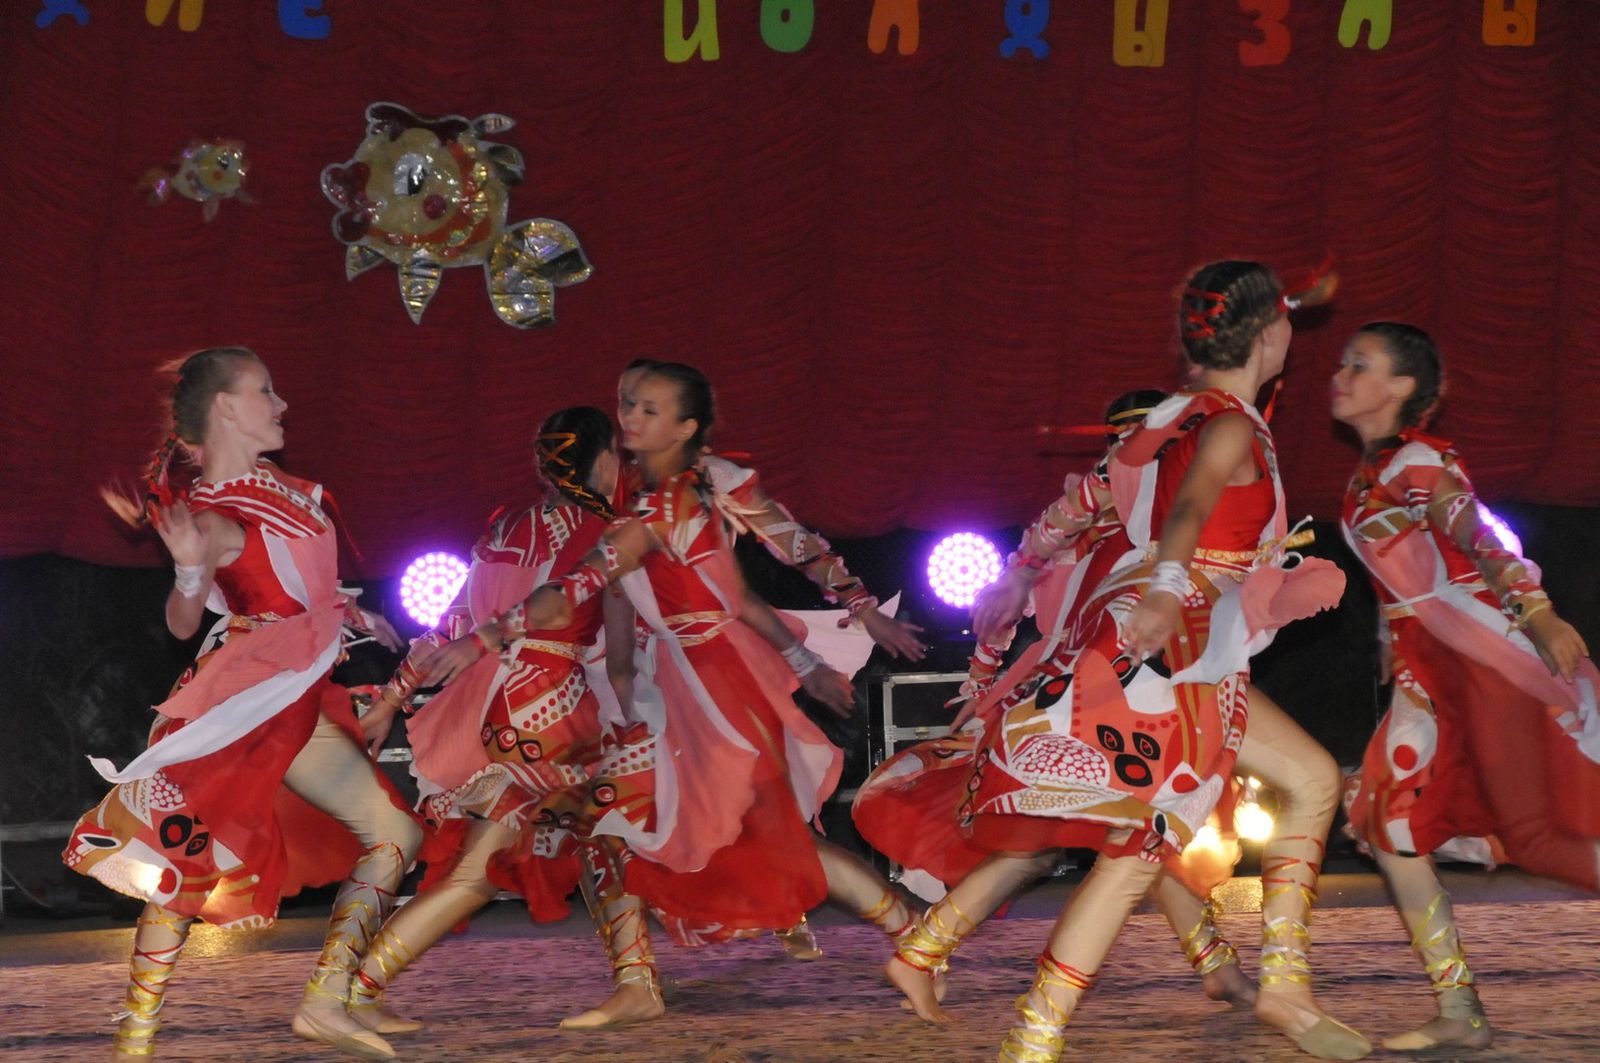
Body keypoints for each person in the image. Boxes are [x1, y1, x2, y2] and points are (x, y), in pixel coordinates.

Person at [881, 261, 1368, 1061]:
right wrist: (1169, 589)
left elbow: (1088, 507)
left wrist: (1020, 572)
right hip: (1185, 644)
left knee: (1286, 789)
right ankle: (1040, 1035)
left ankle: (1260, 990)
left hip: (1159, 639)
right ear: (1269, 333)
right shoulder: (1228, 425)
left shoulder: (1171, 418)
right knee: (1151, 845)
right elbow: (1189, 510)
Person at [423, 362, 918, 1013]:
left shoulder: (702, 484)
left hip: (715, 681)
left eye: (647, 408)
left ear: (683, 427)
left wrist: (856, 607)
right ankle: (640, 983)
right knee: (621, 821)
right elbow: (605, 597)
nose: (630, 417)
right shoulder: (620, 502)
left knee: (743, 829)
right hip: (665, 683)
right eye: (627, 404)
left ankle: (913, 937)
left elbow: (788, 547)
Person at [64, 347, 424, 1060]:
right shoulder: (214, 513)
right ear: (226, 407)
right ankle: (135, 1035)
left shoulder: (284, 488)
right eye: (265, 390)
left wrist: (350, 612)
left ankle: (325, 1002)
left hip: (298, 697)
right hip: (247, 701)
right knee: (185, 857)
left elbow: (299, 585)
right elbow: (181, 622)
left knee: (396, 836)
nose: (281, 404)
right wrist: (189, 568)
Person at [853, 389, 1258, 1014]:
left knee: (1117, 834)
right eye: (1123, 439)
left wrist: (986, 685)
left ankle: (923, 952)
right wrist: (981, 688)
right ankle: (928, 956)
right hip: (1090, 695)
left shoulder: (1150, 515)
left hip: (1118, 690)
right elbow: (1006, 603)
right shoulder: (1109, 515)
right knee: (1123, 831)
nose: (1133, 450)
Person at [349, 406, 670, 1032]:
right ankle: (353, 989)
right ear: (606, 460)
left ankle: (638, 982)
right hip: (552, 711)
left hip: (501, 711)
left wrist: (392, 698)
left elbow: (451, 626)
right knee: (495, 864)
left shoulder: (505, 528)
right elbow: (624, 647)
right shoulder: (611, 533)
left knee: (597, 835)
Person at [1331, 321, 1599, 1052]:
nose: (1341, 376)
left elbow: (1478, 534)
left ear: (1402, 387)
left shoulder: (1416, 461)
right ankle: (1460, 1007)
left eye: (1361, 365)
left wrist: (1537, 612)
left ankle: (1461, 1006)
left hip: (1477, 664)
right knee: (1389, 830)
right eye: (1343, 363)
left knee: (1538, 838)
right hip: (1429, 672)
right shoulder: (1371, 473)